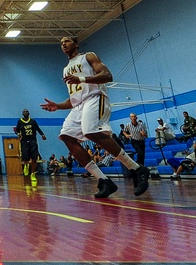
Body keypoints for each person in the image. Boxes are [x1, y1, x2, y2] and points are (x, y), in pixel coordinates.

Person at [41, 36, 150, 199]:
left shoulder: (88, 56)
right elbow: (74, 98)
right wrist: (58, 105)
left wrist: (82, 78)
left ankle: (136, 168)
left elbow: (107, 75)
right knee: (66, 136)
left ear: (76, 44)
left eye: (67, 41)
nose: (63, 44)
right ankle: (104, 180)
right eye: (61, 43)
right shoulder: (65, 70)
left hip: (95, 98)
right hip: (79, 105)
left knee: (90, 130)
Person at [14, 108, 47, 186]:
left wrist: (42, 134)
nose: (25, 113)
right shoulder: (20, 121)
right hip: (24, 141)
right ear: (22, 114)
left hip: (32, 141)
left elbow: (38, 129)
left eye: (26, 111)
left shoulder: (33, 121)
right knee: (25, 158)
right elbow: (16, 130)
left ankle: (33, 174)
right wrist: (18, 134)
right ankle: (26, 165)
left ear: (29, 113)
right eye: (24, 112)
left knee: (34, 158)